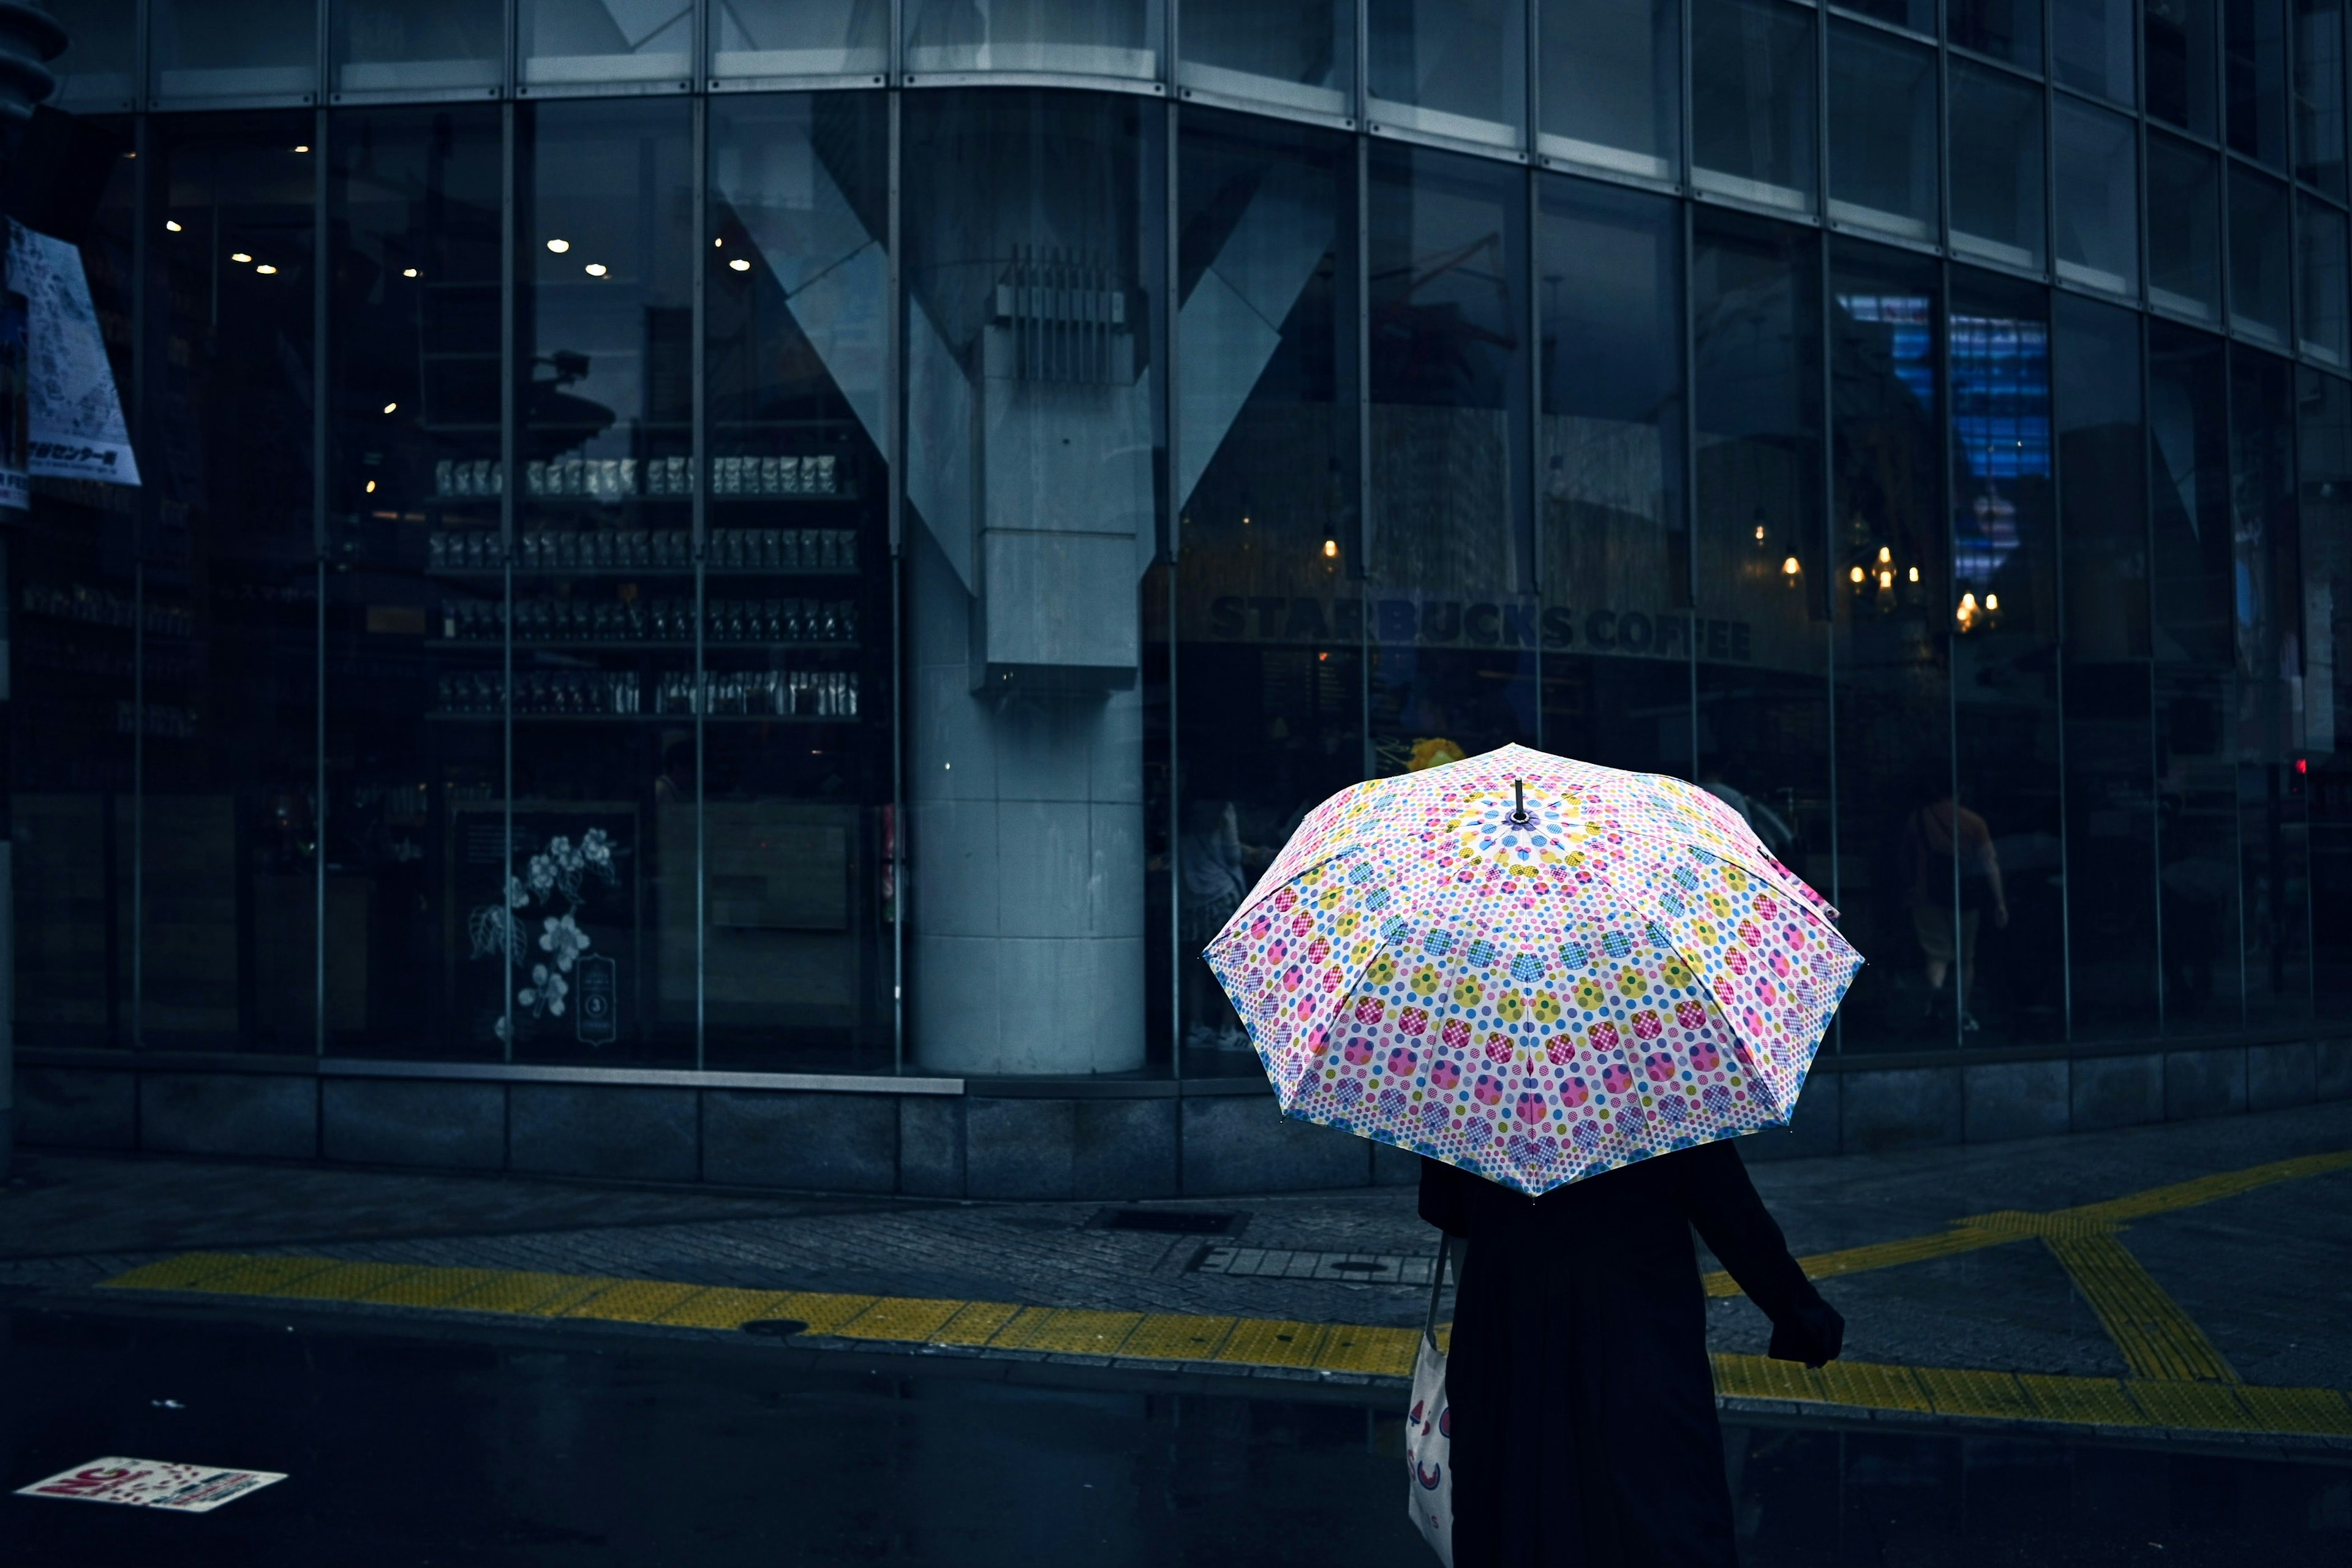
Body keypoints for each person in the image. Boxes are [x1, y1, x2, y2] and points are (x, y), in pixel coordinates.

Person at [1421, 1142, 1842, 1567]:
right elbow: (1730, 1211)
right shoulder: (1661, 1084)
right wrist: (1803, 1318)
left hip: (1507, 1335)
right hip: (1634, 1330)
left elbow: (1446, 1207)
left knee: (1516, 1508)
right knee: (1653, 1508)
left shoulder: (1469, 1089)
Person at [1904, 780, 2007, 1034]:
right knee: (1965, 957)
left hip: (1926, 896)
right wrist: (2000, 901)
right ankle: (1961, 1010)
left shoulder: (1918, 820)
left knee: (1937, 954)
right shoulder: (1972, 822)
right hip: (1965, 897)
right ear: (1960, 791)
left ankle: (1935, 1004)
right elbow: (1989, 862)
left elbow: (1906, 859)